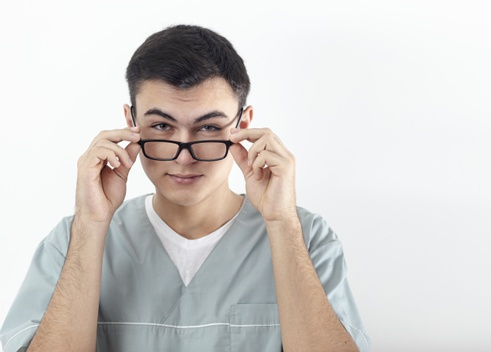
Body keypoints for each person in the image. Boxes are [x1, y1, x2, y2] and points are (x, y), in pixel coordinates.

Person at [0, 24, 369, 352]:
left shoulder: (307, 238)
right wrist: (92, 225)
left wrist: (281, 223)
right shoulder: (71, 241)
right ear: (131, 123)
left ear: (244, 124)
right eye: (161, 126)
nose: (184, 157)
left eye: (209, 128)